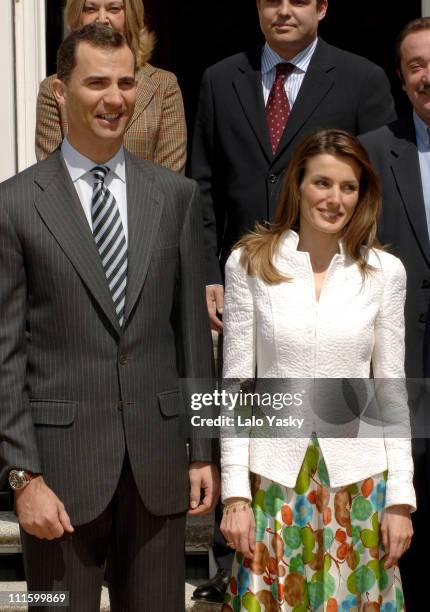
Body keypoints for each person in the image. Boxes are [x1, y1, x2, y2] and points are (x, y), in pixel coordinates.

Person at [0, 23, 218, 612]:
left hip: (159, 469)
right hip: (58, 481)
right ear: (58, 90)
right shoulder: (14, 204)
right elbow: (5, 355)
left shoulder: (174, 196)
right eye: (96, 82)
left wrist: (203, 449)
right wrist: (24, 478)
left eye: (125, 82)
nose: (114, 98)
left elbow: (192, 339)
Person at [191, 0, 396, 601]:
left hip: (353, 458)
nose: (283, 9)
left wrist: (401, 498)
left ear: (324, 7)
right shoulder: (219, 79)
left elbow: (389, 388)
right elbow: (203, 185)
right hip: (257, 293)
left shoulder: (361, 79)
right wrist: (213, 272)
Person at [220, 129, 415, 611]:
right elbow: (236, 386)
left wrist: (400, 500)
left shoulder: (384, 272)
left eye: (349, 187)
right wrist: (234, 495)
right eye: (322, 183)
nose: (335, 198)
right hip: (273, 483)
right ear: (298, 185)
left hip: (360, 484)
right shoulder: (250, 262)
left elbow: (391, 392)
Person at [359, 17, 430, 611]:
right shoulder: (377, 151)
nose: (428, 75)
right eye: (416, 66)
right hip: (402, 372)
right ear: (402, 79)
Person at [36, 0, 187, 173]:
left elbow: (169, 183)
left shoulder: (164, 86)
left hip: (146, 199)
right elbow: (51, 178)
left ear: (130, 16)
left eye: (113, 9)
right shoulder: (55, 88)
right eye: (90, 9)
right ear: (77, 16)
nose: (102, 19)